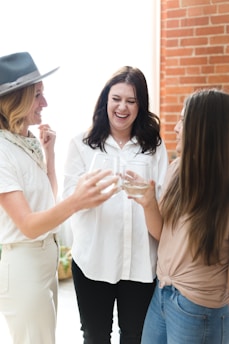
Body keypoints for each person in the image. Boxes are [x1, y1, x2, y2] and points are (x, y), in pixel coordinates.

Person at [0, 52, 118, 344]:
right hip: (24, 265)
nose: (45, 104)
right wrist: (77, 200)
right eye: (38, 95)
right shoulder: (1, 152)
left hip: (44, 260)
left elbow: (48, 204)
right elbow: (28, 225)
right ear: (15, 101)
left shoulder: (25, 141)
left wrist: (49, 156)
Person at [63, 66, 168, 343]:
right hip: (94, 260)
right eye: (116, 99)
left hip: (141, 263)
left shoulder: (153, 148)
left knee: (135, 336)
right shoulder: (82, 145)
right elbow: (67, 202)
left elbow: (166, 206)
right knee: (95, 336)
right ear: (105, 101)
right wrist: (88, 195)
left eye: (131, 101)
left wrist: (148, 200)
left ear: (140, 106)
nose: (122, 107)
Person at [136, 89, 229, 343]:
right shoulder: (177, 169)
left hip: (199, 307)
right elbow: (162, 233)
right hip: (163, 294)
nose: (176, 128)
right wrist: (148, 202)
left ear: (203, 129)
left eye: (183, 121)